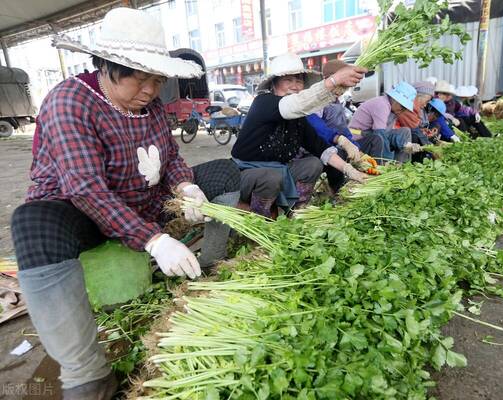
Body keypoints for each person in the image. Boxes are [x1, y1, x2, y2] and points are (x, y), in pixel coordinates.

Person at [10, 9, 240, 399]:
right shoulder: (71, 101)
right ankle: (88, 375)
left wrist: (185, 187)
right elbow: (85, 189)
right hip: (83, 212)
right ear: (107, 65)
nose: (150, 89)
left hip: (145, 202)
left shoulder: (150, 109)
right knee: (31, 225)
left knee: (225, 171)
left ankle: (208, 268)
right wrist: (154, 240)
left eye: (157, 79)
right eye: (139, 76)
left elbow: (170, 159)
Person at [231, 53, 368, 218]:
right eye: (288, 80)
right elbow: (296, 105)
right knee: (270, 177)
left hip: (278, 173)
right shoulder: (263, 102)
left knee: (313, 163)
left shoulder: (298, 118)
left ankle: (297, 211)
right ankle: (261, 221)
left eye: (298, 80)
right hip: (245, 175)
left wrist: (349, 169)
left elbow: (321, 147)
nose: (295, 86)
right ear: (274, 83)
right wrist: (333, 80)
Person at [306, 60, 383, 192]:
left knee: (375, 139)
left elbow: (343, 129)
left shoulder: (337, 100)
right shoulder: (315, 100)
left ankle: (371, 175)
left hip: (337, 141)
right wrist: (340, 140)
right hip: (319, 147)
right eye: (342, 85)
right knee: (338, 151)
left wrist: (356, 149)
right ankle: (339, 191)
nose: (343, 91)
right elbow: (317, 128)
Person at [349, 81, 422, 163]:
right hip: (358, 138)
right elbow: (380, 133)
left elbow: (388, 132)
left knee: (405, 131)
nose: (402, 110)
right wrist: (389, 160)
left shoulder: (393, 109)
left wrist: (405, 144)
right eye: (402, 106)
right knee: (379, 138)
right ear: (395, 99)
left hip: (372, 134)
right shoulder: (382, 104)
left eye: (405, 108)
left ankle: (402, 165)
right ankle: (384, 166)